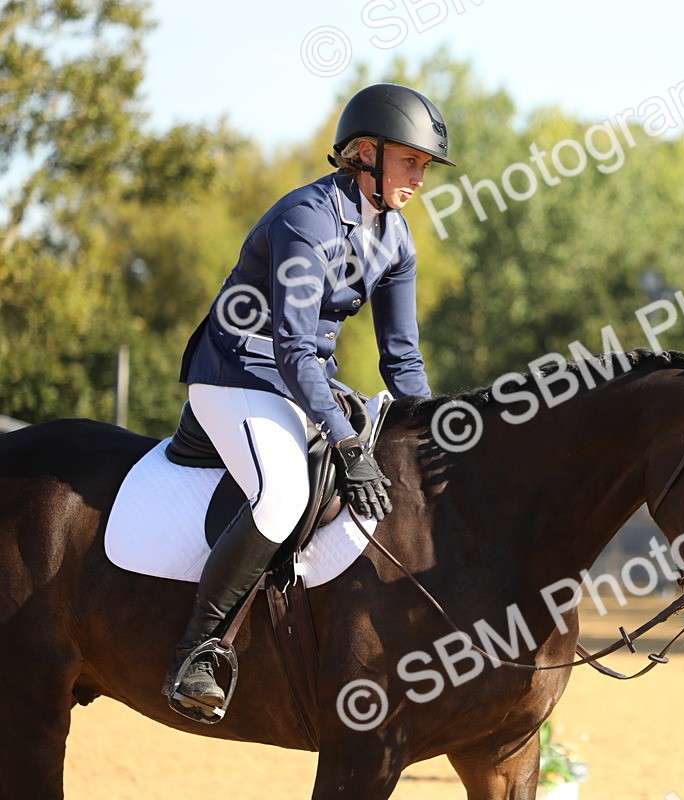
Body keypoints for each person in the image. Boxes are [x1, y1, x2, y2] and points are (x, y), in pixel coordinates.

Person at [163, 84, 455, 717]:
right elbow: (293, 345)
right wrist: (345, 442)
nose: (421, 177)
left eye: (425, 166)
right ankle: (198, 648)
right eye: (412, 161)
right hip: (238, 371)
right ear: (367, 153)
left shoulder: (396, 237)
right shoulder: (307, 219)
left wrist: (437, 432)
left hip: (304, 378)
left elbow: (401, 357)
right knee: (284, 494)